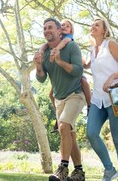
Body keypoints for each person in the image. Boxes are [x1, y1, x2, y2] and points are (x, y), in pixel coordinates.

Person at [34, 17, 87, 181]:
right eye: (44, 29)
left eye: (50, 27)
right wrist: (38, 65)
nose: (47, 31)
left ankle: (62, 169)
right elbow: (42, 79)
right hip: (59, 99)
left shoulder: (71, 46)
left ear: (59, 31)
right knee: (69, 135)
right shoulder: (45, 52)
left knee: (63, 127)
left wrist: (59, 61)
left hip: (76, 95)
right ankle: (79, 172)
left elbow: (78, 71)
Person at [84, 17, 118, 181]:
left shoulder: (110, 44)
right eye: (92, 24)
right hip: (98, 99)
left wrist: (113, 76)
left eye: (97, 25)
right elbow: (84, 65)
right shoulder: (92, 50)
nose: (93, 26)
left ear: (104, 30)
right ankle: (110, 170)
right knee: (91, 133)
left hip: (115, 97)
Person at [39, 19, 91, 133]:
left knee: (84, 81)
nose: (64, 27)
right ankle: (59, 117)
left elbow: (80, 68)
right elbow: (45, 45)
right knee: (51, 94)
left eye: (67, 26)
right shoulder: (55, 41)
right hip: (61, 88)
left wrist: (56, 50)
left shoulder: (68, 39)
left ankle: (90, 105)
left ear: (71, 30)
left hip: (75, 78)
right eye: (62, 25)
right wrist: (41, 51)